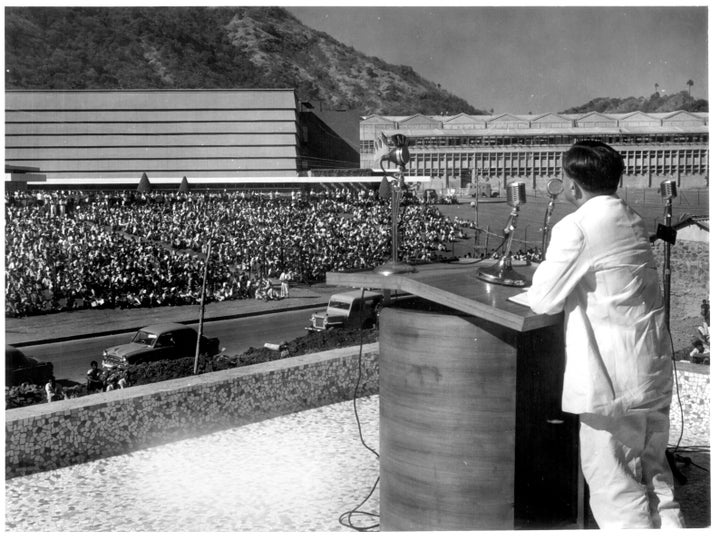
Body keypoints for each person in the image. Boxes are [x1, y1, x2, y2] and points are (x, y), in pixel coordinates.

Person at [526, 140, 684, 528]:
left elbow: (542, 299)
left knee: (619, 493)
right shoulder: (631, 217)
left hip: (612, 386)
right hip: (650, 373)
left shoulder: (577, 225)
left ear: (573, 186)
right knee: (657, 484)